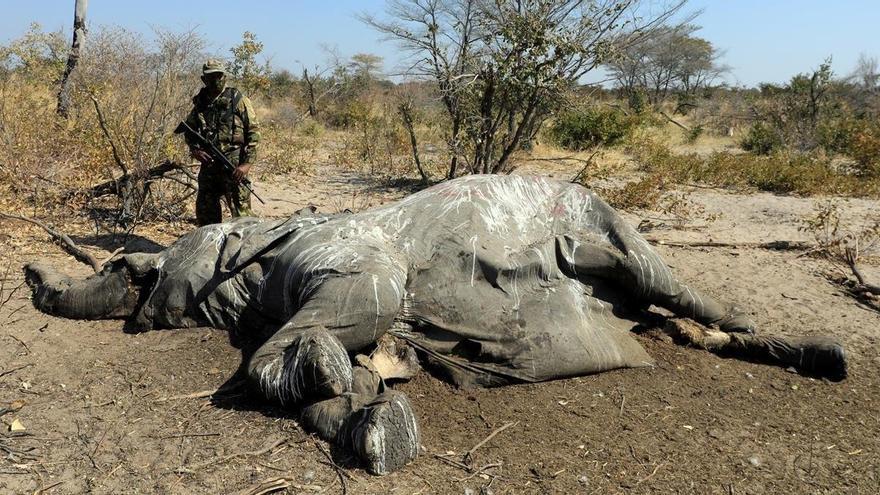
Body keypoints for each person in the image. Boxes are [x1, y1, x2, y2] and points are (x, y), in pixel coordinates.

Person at [184, 59, 261, 226]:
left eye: (219, 76)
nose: (215, 81)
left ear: (224, 77)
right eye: (211, 77)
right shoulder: (200, 103)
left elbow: (254, 133)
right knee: (206, 216)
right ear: (204, 79)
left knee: (243, 218)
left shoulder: (238, 99)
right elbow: (189, 131)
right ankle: (210, 249)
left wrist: (246, 164)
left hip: (233, 166)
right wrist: (195, 150)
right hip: (209, 166)